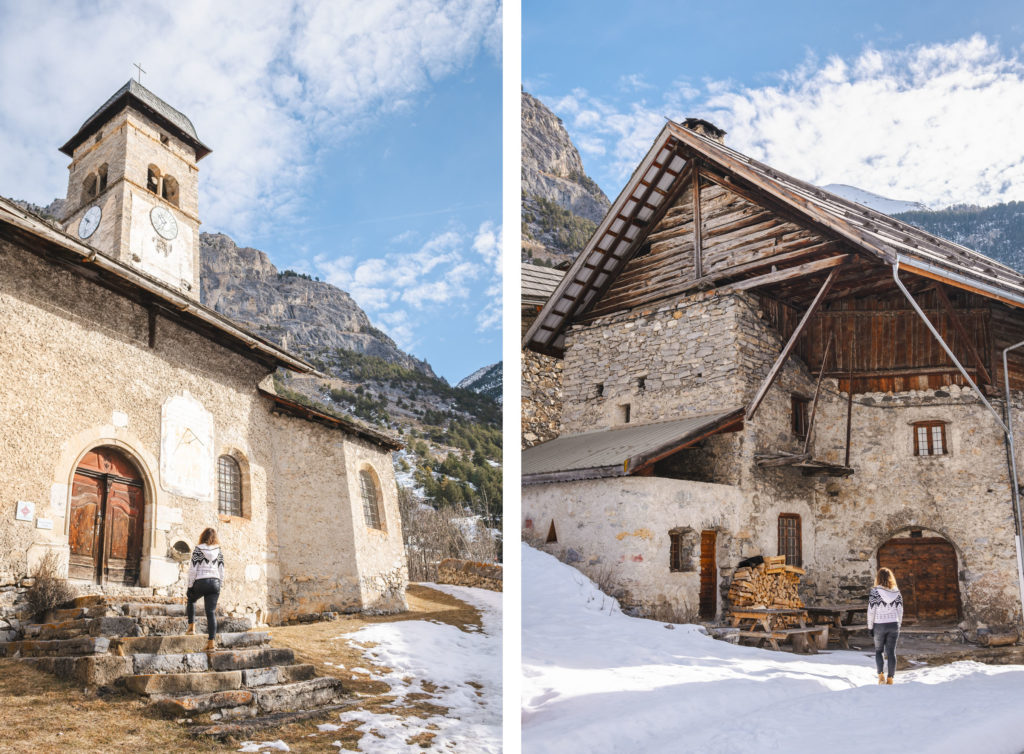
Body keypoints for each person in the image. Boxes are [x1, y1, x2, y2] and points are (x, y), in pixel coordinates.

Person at [185, 527, 225, 651]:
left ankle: (192, 628)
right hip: (215, 582)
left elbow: (193, 569)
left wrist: (190, 586)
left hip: (201, 581)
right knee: (211, 612)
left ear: (203, 536)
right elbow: (221, 570)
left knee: (191, 600)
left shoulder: (198, 549)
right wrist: (220, 585)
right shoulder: (219, 550)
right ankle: (211, 643)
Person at [867, 566, 903, 685]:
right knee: (891, 652)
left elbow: (871, 610)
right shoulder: (896, 592)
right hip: (893, 624)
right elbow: (900, 610)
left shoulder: (875, 592)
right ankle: (890, 678)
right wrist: (899, 625)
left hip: (879, 625)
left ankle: (881, 675)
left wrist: (870, 627)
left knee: (878, 651)